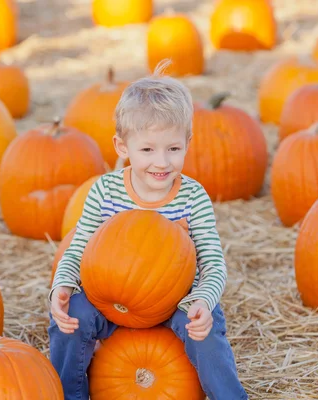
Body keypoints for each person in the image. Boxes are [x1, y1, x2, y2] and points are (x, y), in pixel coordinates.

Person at [48, 59, 247, 400]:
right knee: (71, 317)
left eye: (173, 149)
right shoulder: (105, 191)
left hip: (175, 298)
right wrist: (62, 285)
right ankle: (69, 393)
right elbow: (78, 247)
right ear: (122, 147)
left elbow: (213, 261)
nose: (162, 162)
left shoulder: (193, 196)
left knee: (205, 331)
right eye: (147, 150)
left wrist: (202, 299)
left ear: (187, 142)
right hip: (109, 295)